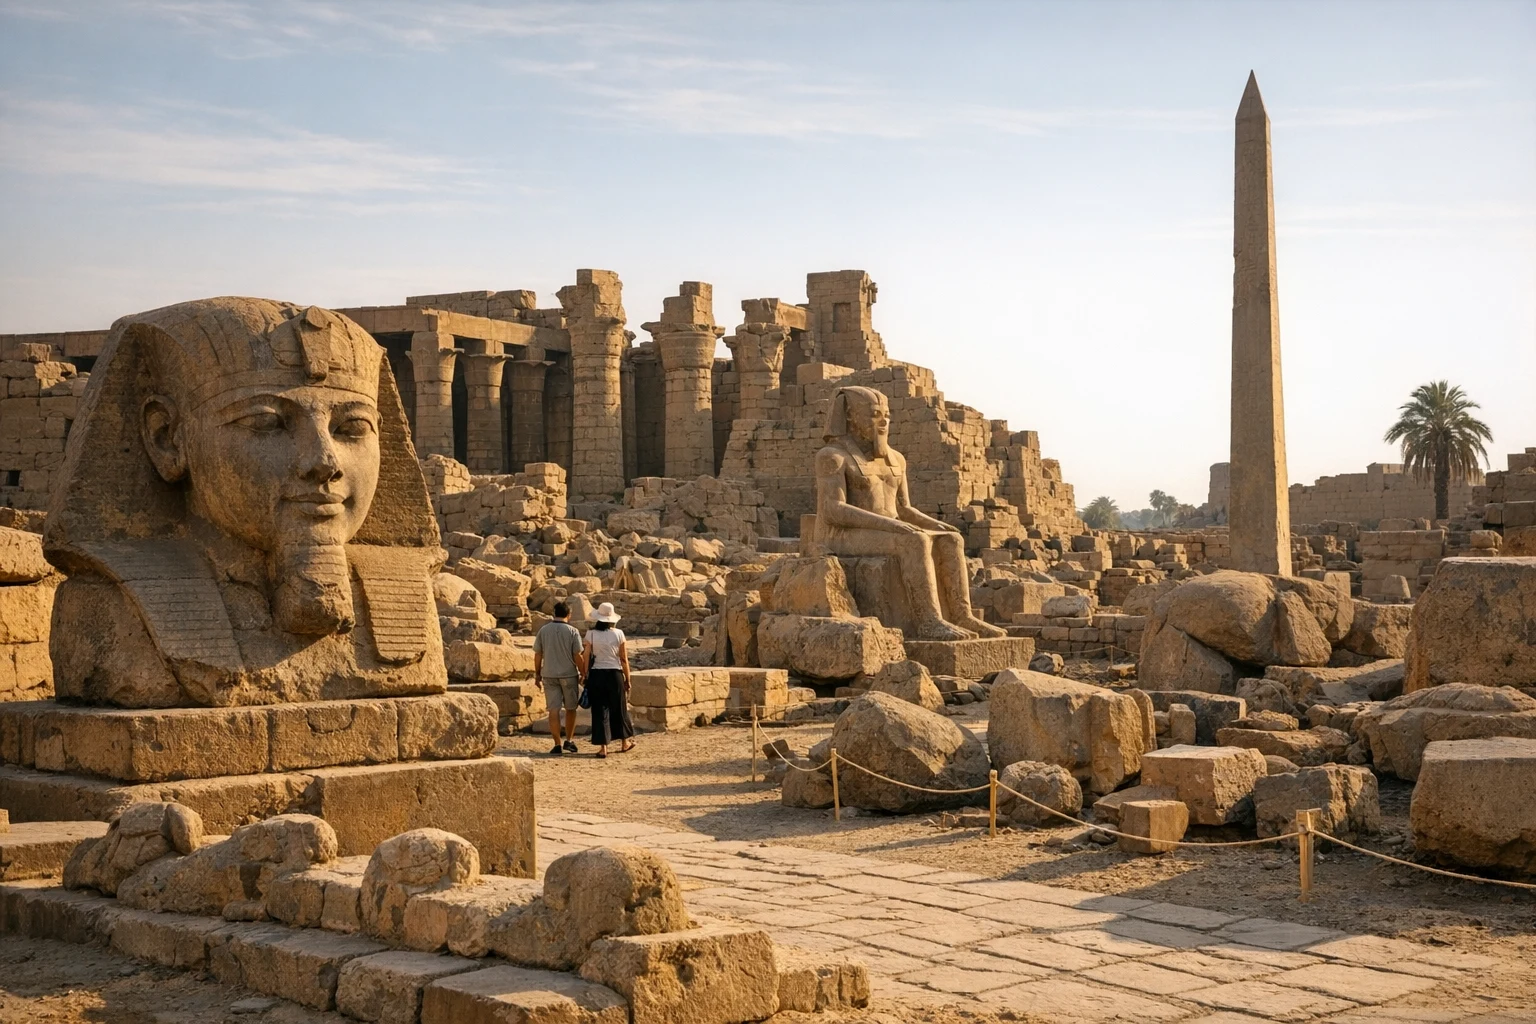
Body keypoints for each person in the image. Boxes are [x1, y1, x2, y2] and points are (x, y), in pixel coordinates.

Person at [580, 602, 634, 758]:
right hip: (615, 674)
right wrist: (627, 678)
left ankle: (603, 747)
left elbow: (586, 655)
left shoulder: (590, 634)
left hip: (597, 674)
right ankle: (624, 742)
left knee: (599, 710)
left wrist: (584, 673)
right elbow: (623, 658)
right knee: (619, 708)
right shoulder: (619, 634)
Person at [533, 601, 586, 756]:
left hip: (549, 674)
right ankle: (569, 740)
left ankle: (557, 743)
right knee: (571, 709)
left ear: (553, 614)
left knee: (553, 710)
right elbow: (578, 655)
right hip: (569, 675)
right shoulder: (573, 631)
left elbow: (538, 654)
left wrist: (537, 673)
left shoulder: (543, 630)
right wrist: (583, 673)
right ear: (568, 615)